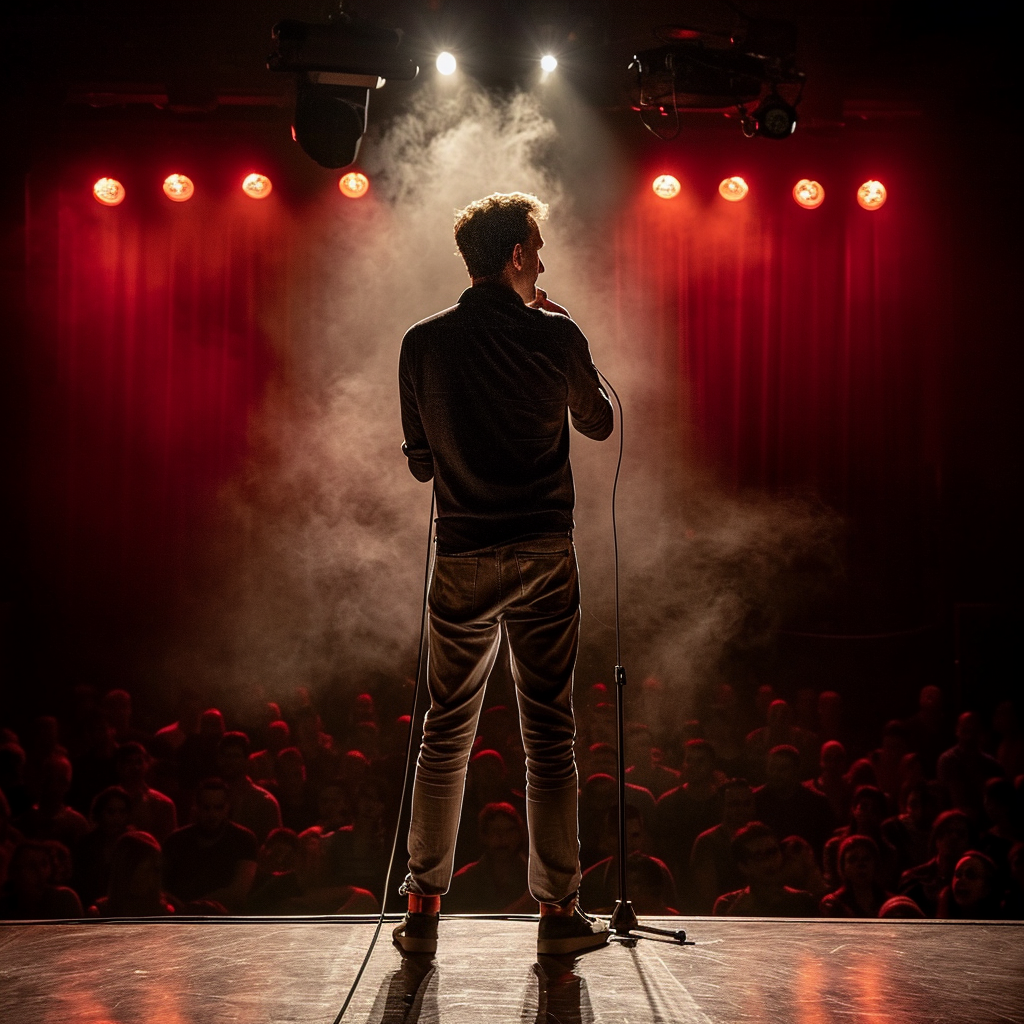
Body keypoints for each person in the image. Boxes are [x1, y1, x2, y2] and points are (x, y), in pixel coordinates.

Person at [394, 191, 614, 957]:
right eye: (537, 247)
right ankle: (558, 912)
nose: (544, 260)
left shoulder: (421, 343)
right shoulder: (554, 335)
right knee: (548, 732)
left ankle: (421, 904)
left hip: (460, 552)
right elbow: (599, 420)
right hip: (543, 553)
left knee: (444, 730)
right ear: (516, 258)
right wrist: (560, 334)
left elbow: (421, 462)